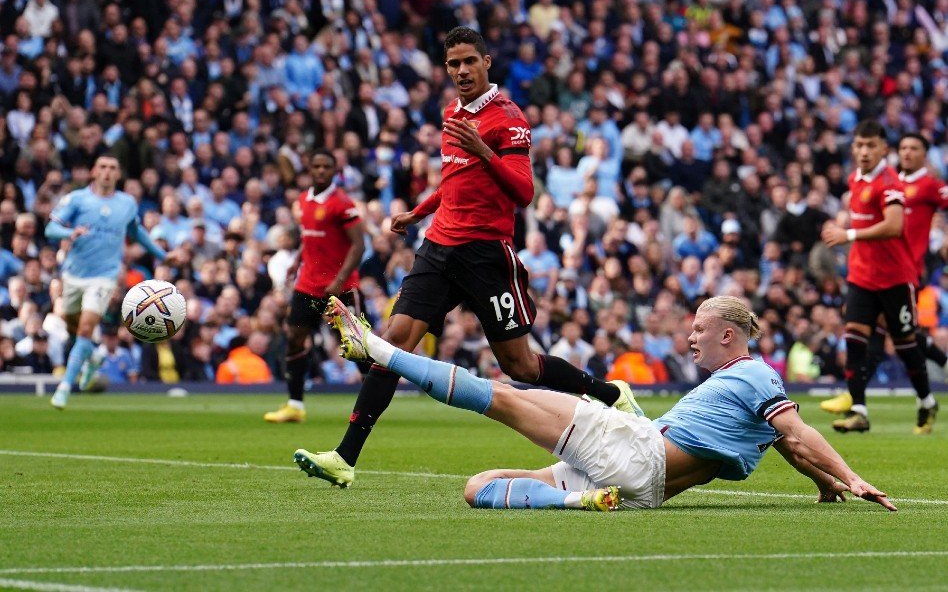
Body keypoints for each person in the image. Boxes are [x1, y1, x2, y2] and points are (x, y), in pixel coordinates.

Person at [308, 27, 643, 488]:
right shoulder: (452, 113)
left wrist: (484, 150)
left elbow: (524, 192)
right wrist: (418, 212)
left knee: (519, 367)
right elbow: (452, 182)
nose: (461, 71)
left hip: (487, 255)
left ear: (487, 62)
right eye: (453, 64)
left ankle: (609, 392)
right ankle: (345, 458)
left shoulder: (509, 118)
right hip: (440, 246)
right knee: (393, 343)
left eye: (469, 61)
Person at [295, 295, 897, 513]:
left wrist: (851, 474)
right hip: (638, 487)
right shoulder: (753, 390)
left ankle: (374, 345)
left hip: (638, 453)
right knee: (477, 487)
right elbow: (785, 442)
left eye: (699, 329)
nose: (690, 338)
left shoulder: (755, 375)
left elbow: (798, 432)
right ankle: (578, 501)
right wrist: (824, 488)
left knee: (503, 396)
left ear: (730, 336)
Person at [820, 132, 948, 418]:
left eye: (914, 148)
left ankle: (858, 396)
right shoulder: (886, 179)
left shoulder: (929, 184)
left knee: (890, 334)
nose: (907, 153)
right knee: (889, 332)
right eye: (903, 147)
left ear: (924, 154)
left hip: (906, 268)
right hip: (876, 269)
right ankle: (947, 374)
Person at [820, 121, 934, 434]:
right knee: (854, 337)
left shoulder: (891, 182)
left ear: (884, 149)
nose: (864, 151)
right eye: (859, 145)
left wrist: (848, 233)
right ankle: (859, 410)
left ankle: (926, 401)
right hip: (861, 275)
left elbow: (895, 225)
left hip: (895, 276)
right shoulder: (855, 178)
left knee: (905, 344)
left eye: (870, 145)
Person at [44, 154, 182, 408]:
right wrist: (69, 232)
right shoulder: (77, 199)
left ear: (118, 174)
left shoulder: (126, 203)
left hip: (104, 276)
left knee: (86, 328)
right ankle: (94, 356)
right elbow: (50, 229)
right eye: (103, 167)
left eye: (113, 168)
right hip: (73, 275)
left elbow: (136, 231)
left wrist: (162, 256)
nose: (107, 172)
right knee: (74, 330)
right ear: (94, 171)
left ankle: (65, 387)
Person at [263, 150, 366, 423]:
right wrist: (297, 261)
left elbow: (359, 245)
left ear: (334, 171)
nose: (321, 171)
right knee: (295, 338)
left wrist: (340, 280)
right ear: (309, 169)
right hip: (308, 285)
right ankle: (295, 405)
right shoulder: (303, 200)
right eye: (316, 166)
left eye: (326, 167)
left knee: (358, 346)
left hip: (340, 287)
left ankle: (373, 402)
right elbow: (310, 240)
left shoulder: (342, 203)